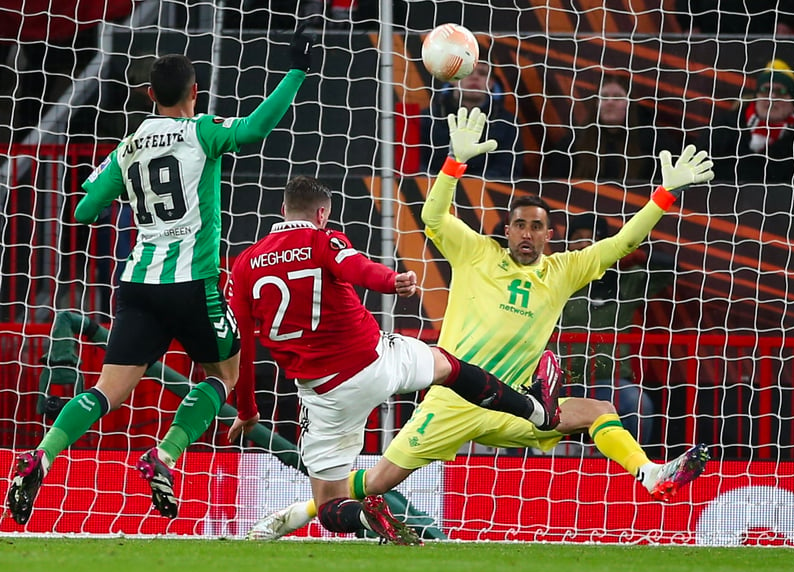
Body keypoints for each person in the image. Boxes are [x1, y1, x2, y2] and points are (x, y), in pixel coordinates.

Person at [248, 107, 714, 540]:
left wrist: (663, 195)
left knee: (598, 410)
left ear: (550, 235)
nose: (527, 234)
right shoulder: (476, 252)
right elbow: (432, 215)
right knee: (377, 481)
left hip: (508, 403)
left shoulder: (564, 270)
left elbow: (621, 242)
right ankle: (304, 511)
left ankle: (650, 472)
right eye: (519, 225)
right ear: (505, 229)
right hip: (451, 403)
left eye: (537, 227)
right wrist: (453, 164)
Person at [4, 29, 315, 525]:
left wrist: (132, 194)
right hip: (193, 284)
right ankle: (164, 456)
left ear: (150, 95)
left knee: (105, 391)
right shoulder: (203, 131)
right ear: (195, 93)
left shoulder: (127, 147)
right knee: (224, 376)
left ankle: (41, 455)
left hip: (138, 285)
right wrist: (296, 69)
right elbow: (254, 131)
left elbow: (84, 210)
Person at [225, 175, 560, 545]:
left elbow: (241, 346)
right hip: (376, 361)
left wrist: (247, 409)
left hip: (325, 396)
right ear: (323, 214)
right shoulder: (325, 240)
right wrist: (391, 281)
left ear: (283, 210)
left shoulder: (244, 264)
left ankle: (366, 517)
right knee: (449, 365)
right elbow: (356, 268)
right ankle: (533, 410)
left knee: (328, 504)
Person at [559, 214, 675, 445]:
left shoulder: (625, 279)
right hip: (560, 383)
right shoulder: (559, 274)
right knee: (521, 408)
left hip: (607, 383)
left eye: (592, 239)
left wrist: (637, 256)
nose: (584, 244)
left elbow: (671, 267)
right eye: (577, 239)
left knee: (638, 404)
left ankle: (630, 468)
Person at [548, 73, 668, 185]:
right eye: (604, 97)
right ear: (596, 104)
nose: (609, 102)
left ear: (629, 104)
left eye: (617, 97)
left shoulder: (653, 143)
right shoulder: (572, 143)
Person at [419, 61, 522, 180]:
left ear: (491, 82)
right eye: (467, 72)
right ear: (452, 78)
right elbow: (417, 167)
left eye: (482, 73)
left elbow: (507, 170)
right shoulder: (427, 118)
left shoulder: (508, 122)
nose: (475, 77)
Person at [705, 59, 794, 185]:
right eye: (766, 90)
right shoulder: (728, 123)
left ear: (793, 103)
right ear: (756, 96)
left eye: (781, 92)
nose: (771, 97)